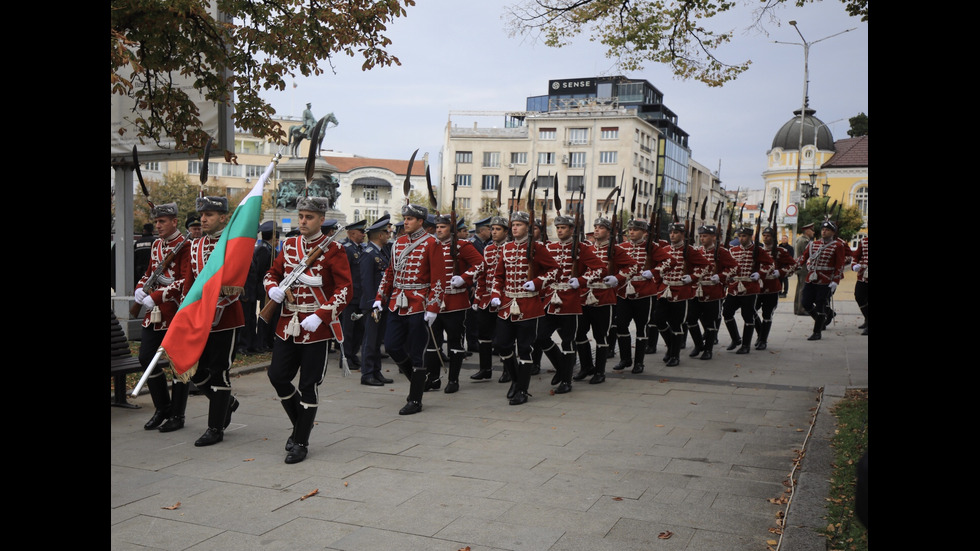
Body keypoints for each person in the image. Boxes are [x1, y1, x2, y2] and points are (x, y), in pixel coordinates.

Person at [263, 197, 352, 463]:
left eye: (309, 217)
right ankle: (301, 424)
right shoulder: (290, 245)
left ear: (321, 220)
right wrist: (272, 289)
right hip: (287, 323)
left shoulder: (334, 249)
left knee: (308, 384)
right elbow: (272, 273)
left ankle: (300, 441)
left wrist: (321, 315)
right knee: (277, 376)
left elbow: (345, 289)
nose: (303, 221)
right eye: (301, 216)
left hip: (316, 327)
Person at [166, 196, 243, 446]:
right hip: (198, 318)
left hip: (225, 318)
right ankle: (226, 403)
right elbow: (190, 283)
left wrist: (214, 307)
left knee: (219, 371)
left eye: (209, 215)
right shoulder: (196, 245)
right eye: (202, 215)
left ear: (223, 217)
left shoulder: (233, 243)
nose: (203, 219)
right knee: (195, 370)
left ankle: (215, 428)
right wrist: (184, 311)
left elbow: (237, 285)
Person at [372, 204, 443, 415]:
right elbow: (390, 273)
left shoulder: (432, 243)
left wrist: (433, 307)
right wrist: (380, 297)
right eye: (405, 218)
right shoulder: (399, 243)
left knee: (417, 351)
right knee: (392, 346)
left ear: (420, 221)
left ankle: (415, 399)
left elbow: (438, 279)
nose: (406, 222)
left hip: (419, 303)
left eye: (410, 218)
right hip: (397, 301)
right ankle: (419, 380)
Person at [489, 211, 559, 405]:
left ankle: (522, 390)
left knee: (525, 349)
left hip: (528, 305)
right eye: (513, 224)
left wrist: (537, 282)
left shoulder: (538, 247)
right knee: (502, 345)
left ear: (528, 227)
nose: (514, 228)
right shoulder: (507, 247)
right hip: (507, 305)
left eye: (519, 224)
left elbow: (554, 270)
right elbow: (498, 276)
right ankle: (515, 380)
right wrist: (495, 295)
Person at [133, 203, 191, 432]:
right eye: (156, 221)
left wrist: (156, 296)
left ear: (174, 222)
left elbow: (185, 280)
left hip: (175, 312)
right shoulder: (157, 244)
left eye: (162, 221)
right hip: (154, 313)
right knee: (146, 357)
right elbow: (149, 273)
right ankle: (162, 407)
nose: (158, 225)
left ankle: (177, 415)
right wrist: (140, 288)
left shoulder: (185, 245)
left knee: (178, 364)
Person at [535, 215, 605, 394]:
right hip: (551, 299)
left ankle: (566, 381)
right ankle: (561, 366)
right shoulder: (550, 247)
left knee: (568, 341)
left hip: (571, 301)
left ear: (572, 230)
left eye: (564, 227)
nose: (559, 230)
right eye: (558, 227)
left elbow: (600, 268)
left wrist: (581, 280)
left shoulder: (581, 248)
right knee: (541, 336)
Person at [425, 213, 484, 394]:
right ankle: (433, 378)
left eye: (443, 227)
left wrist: (464, 278)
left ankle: (453, 379)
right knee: (432, 343)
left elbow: (481, 264)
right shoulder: (430, 245)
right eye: (437, 227)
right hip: (434, 302)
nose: (439, 230)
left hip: (455, 301)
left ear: (452, 229)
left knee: (455, 342)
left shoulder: (462, 245)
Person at [573, 216, 636, 384]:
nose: (596, 229)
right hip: (584, 296)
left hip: (604, 297)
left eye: (601, 227)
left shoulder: (615, 250)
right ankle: (586, 366)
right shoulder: (586, 249)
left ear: (609, 232)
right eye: (595, 226)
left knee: (600, 336)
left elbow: (633, 266)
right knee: (579, 333)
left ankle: (600, 371)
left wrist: (618, 278)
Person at [612, 219, 669, 374]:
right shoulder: (621, 247)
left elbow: (670, 261)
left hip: (644, 292)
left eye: (635, 230)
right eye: (630, 229)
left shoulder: (651, 247)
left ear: (644, 232)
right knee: (620, 325)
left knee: (641, 328)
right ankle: (625, 359)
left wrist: (654, 272)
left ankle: (639, 362)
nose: (631, 232)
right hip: (624, 291)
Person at [654, 222, 709, 366]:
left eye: (676, 232)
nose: (672, 235)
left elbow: (705, 265)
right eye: (671, 232)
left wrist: (692, 277)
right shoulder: (665, 249)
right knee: (658, 320)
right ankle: (671, 346)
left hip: (681, 290)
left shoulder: (689, 250)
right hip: (665, 290)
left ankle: (675, 355)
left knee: (676, 324)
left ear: (683, 235)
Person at [470, 215, 510, 382]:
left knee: (504, 338)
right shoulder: (488, 249)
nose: (494, 232)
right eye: (492, 229)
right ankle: (485, 369)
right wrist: (477, 298)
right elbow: (482, 275)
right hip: (487, 298)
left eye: (498, 229)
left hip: (504, 298)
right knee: (483, 335)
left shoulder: (511, 248)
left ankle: (508, 370)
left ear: (506, 232)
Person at [688, 224, 736, 360]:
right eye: (701, 236)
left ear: (714, 237)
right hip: (697, 290)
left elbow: (734, 267)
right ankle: (698, 344)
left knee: (710, 322)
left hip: (713, 291)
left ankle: (708, 349)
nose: (702, 238)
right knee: (690, 319)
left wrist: (720, 276)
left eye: (705, 236)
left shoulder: (721, 252)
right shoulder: (697, 251)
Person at [722, 227, 774, 354]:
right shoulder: (733, 250)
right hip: (735, 286)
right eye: (739, 236)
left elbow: (770, 264)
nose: (741, 238)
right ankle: (736, 338)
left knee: (747, 316)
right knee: (727, 312)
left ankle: (746, 345)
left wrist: (759, 274)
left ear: (750, 237)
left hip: (750, 287)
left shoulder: (757, 250)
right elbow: (727, 266)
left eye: (744, 236)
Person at [796, 220, 848, 341]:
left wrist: (835, 280)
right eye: (823, 229)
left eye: (827, 230)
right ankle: (821, 320)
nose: (824, 232)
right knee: (805, 302)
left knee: (821, 304)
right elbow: (803, 258)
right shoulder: (813, 244)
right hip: (811, 278)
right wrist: (792, 267)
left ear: (833, 232)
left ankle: (817, 332)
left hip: (826, 280)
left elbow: (839, 264)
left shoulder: (838, 246)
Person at [359, 215, 393, 386]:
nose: (389, 236)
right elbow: (366, 282)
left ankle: (376, 371)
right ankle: (367, 374)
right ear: (380, 235)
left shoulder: (381, 252)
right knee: (370, 341)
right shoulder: (368, 254)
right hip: (373, 305)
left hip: (381, 304)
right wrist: (374, 303)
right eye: (387, 233)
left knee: (377, 340)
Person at [754, 227, 796, 350]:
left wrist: (780, 272)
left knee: (767, 314)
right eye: (764, 235)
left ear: (773, 237)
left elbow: (793, 265)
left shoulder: (780, 251)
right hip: (757, 286)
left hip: (772, 286)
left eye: (768, 235)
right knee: (751, 311)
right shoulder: (758, 250)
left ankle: (763, 340)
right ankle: (760, 333)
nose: (765, 237)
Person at [340, 219, 367, 372]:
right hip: (350, 296)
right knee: (348, 329)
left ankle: (353, 354)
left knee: (359, 329)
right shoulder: (347, 249)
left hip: (360, 296)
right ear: (351, 233)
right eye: (361, 232)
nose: (363, 234)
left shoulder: (360, 248)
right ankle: (346, 357)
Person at [249, 222, 278, 353]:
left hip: (267, 287)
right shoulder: (263, 249)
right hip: (263, 287)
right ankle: (261, 342)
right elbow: (260, 270)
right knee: (264, 315)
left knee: (270, 316)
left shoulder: (269, 249)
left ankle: (267, 341)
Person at [793, 223, 815, 315]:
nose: (813, 232)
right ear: (807, 231)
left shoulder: (800, 239)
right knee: (803, 289)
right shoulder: (805, 241)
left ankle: (797, 308)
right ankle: (801, 309)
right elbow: (806, 255)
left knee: (799, 288)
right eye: (812, 230)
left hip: (800, 267)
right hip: (804, 268)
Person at [852, 235, 869, 336]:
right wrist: (854, 265)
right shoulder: (864, 241)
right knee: (859, 296)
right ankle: (867, 317)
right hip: (864, 274)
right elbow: (856, 256)